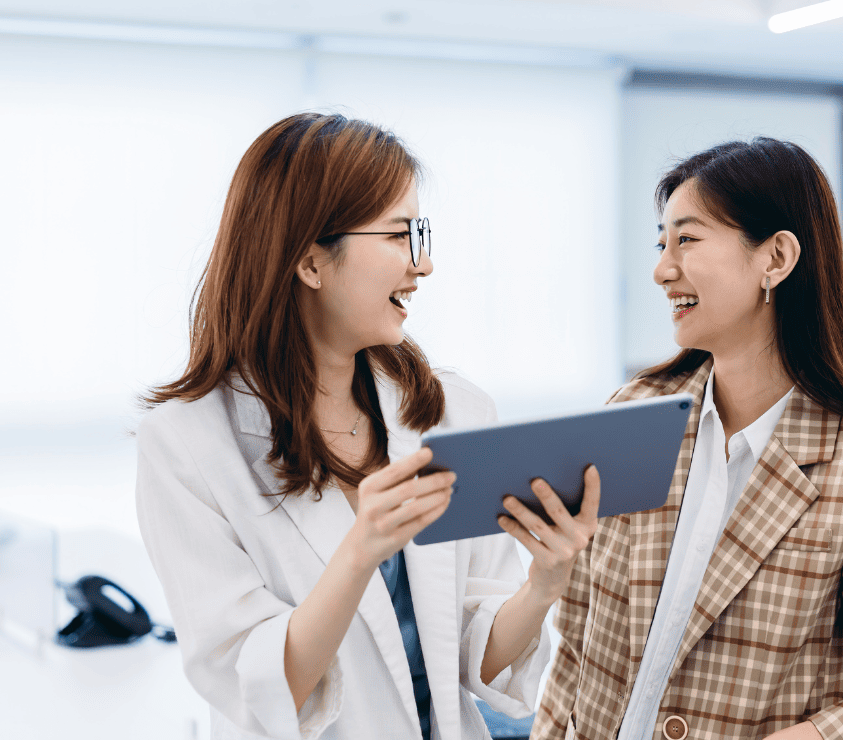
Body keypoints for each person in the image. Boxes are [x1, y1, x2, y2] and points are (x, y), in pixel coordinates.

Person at [135, 112, 599, 740]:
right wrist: (360, 552)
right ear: (309, 262)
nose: (424, 263)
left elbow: (473, 659)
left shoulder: (454, 412)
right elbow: (261, 690)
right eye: (398, 235)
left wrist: (546, 582)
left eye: (420, 232)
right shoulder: (187, 445)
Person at [532, 139, 843, 740]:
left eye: (686, 240)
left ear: (776, 259)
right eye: (661, 244)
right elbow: (579, 632)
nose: (663, 269)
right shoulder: (636, 416)